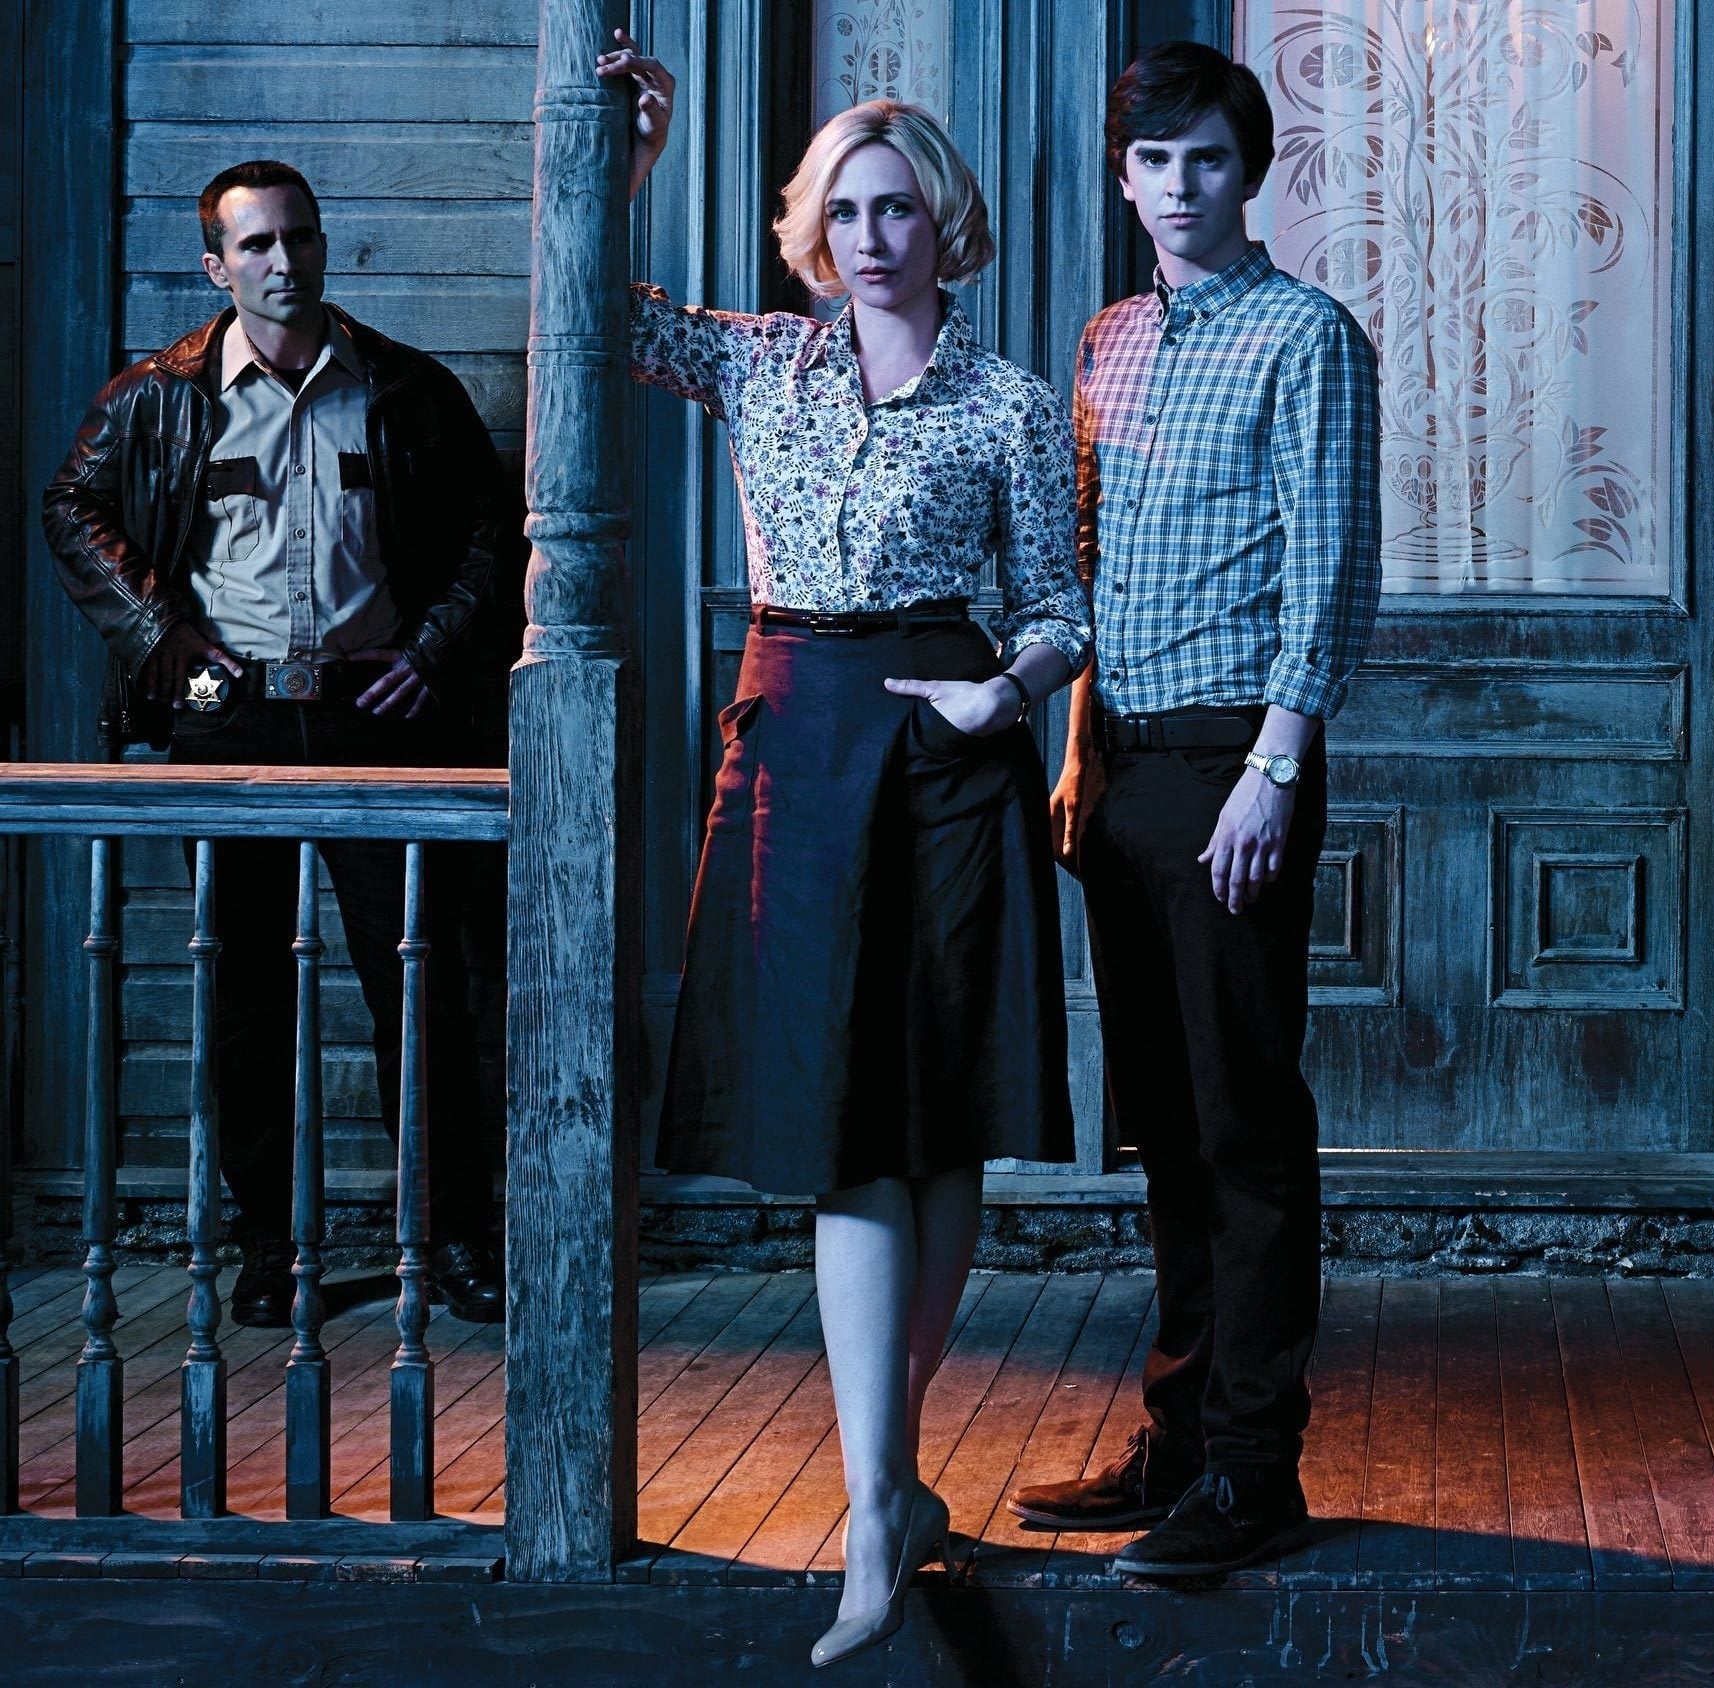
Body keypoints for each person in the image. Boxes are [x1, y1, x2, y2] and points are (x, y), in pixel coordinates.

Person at [596, 36, 1088, 1665]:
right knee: (844, 1129)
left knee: (941, 1131)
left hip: (949, 747)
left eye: (901, 209)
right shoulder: (761, 363)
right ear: (816, 230)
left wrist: (1006, 692)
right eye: (849, 211)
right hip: (799, 738)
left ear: (946, 225)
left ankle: (888, 1478)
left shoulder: (1012, 404)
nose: (874, 237)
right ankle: (883, 1502)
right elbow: (593, 318)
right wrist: (632, 165)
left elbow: (1060, 607)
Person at [1002, 41, 1379, 1581]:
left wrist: (1273, 770)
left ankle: (1252, 1469)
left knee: (1243, 1122)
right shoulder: (1107, 340)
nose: (1178, 187)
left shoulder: (1308, 336)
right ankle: (1175, 1444)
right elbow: (1084, 570)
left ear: (1250, 171)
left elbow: (1330, 567)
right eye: (1153, 162)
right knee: (1160, 1122)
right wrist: (1077, 753)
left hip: (1238, 763)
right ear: (1124, 177)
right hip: (1123, 765)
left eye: (1206, 159)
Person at [43, 160, 517, 1329]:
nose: (284, 262)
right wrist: (174, 654)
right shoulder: (161, 396)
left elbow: (491, 532)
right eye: (256, 245)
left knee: (420, 978)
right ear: (216, 266)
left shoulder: (403, 387)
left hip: (376, 713)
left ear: (323, 243)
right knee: (245, 987)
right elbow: (72, 508)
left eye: (299, 237)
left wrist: (432, 652)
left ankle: (453, 1234)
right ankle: (268, 1244)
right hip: (231, 714)